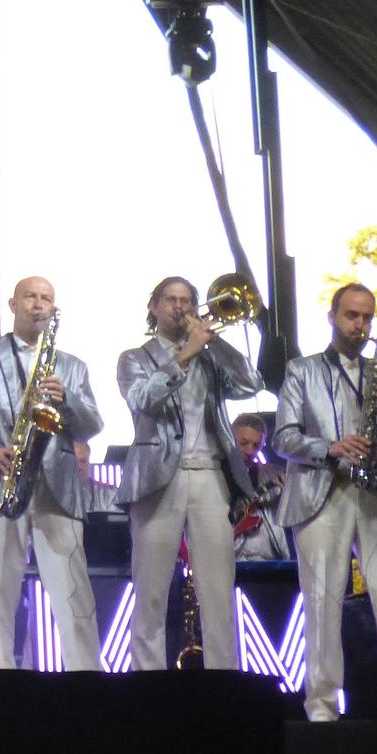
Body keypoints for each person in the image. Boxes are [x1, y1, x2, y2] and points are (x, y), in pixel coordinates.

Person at [274, 283, 377, 722]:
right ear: (332, 316)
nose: (359, 325)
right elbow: (283, 438)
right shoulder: (301, 371)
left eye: (366, 317)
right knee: (322, 605)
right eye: (351, 315)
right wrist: (331, 446)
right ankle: (322, 708)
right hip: (322, 493)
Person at [0, 276, 104, 671]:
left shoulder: (72, 367)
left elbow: (91, 425)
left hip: (58, 490)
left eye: (47, 299)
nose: (39, 304)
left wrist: (66, 400)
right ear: (13, 304)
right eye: (31, 297)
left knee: (74, 596)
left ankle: (86, 680)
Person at [115, 275, 261, 671]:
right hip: (158, 478)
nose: (179, 307)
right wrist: (181, 357)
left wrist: (214, 343)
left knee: (218, 588)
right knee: (151, 588)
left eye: (186, 300)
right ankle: (147, 678)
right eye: (170, 300)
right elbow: (142, 400)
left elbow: (252, 382)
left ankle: (224, 679)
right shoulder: (134, 357)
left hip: (210, 474)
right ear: (154, 308)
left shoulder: (211, 356)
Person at [230, 412, 290, 562]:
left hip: (268, 557)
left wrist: (291, 490)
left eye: (257, 445)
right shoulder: (215, 475)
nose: (250, 450)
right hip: (225, 558)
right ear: (230, 439)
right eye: (243, 443)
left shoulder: (275, 473)